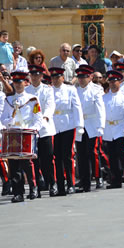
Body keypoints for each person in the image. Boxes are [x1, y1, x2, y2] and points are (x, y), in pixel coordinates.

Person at [1, 71, 43, 203]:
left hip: (26, 133)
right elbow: (2, 118)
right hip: (13, 132)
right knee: (14, 164)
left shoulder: (32, 99)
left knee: (28, 163)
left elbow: (38, 117)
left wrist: (34, 129)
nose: (18, 85)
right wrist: (10, 120)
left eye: (20, 82)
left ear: (25, 83)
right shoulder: (8, 100)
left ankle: (33, 187)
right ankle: (18, 192)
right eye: (15, 82)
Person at [50, 67, 84, 195]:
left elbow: (77, 108)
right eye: (53, 77)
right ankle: (60, 185)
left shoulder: (70, 90)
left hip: (68, 125)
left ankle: (71, 183)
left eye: (57, 77)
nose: (55, 80)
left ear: (62, 78)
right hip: (54, 126)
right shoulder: (49, 91)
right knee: (57, 157)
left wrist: (79, 125)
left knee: (67, 156)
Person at [26, 64, 58, 197]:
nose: (34, 77)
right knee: (34, 160)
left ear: (41, 76)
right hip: (32, 130)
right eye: (32, 75)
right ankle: (37, 186)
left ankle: (52, 183)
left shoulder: (47, 89)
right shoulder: (26, 91)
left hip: (45, 129)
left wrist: (45, 117)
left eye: (37, 75)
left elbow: (51, 105)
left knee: (48, 158)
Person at [75, 66, 105, 192]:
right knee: (81, 154)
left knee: (92, 152)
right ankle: (84, 180)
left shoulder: (96, 90)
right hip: (80, 125)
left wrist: (101, 126)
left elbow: (100, 109)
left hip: (92, 124)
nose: (81, 80)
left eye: (84, 77)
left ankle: (98, 176)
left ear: (90, 77)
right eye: (80, 77)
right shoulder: (75, 90)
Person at [102, 70, 124, 189]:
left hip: (120, 128)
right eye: (110, 81)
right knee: (112, 156)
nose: (113, 84)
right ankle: (116, 179)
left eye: (115, 81)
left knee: (122, 154)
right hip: (109, 129)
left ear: (119, 82)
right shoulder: (104, 98)